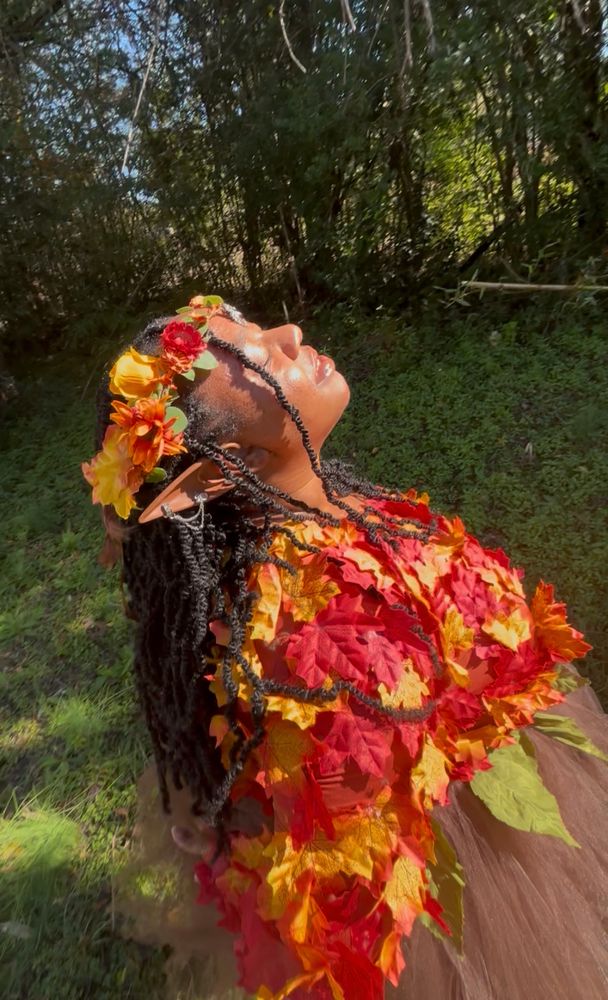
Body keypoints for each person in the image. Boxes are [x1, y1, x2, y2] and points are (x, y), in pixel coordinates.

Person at [83, 296, 608, 1000]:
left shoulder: (347, 515)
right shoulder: (308, 635)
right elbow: (343, 799)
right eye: (261, 357)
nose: (292, 334)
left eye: (260, 331)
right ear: (228, 463)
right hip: (440, 851)